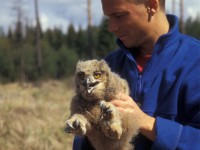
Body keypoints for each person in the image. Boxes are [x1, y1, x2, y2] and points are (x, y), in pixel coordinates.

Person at [72, 0, 200, 149]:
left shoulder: (195, 60)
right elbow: (81, 141)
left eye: (119, 15)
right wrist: (90, 133)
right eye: (108, 18)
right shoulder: (107, 67)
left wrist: (145, 123)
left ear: (151, 6)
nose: (111, 27)